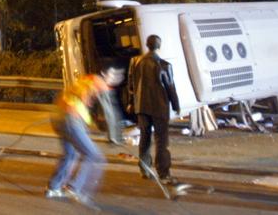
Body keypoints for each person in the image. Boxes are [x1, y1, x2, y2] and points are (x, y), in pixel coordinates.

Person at [45, 67, 124, 207]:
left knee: (70, 154)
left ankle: (53, 188)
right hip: (70, 119)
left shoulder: (86, 79)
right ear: (107, 76)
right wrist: (115, 137)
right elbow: (109, 112)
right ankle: (73, 188)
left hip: (58, 117)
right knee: (94, 156)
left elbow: (81, 100)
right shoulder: (101, 84)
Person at [128, 34, 180, 185]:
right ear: (159, 46)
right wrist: (176, 105)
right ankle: (163, 173)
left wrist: (132, 103)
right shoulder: (164, 65)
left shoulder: (135, 62)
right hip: (159, 107)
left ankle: (145, 169)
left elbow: (131, 86)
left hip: (142, 107)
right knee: (161, 141)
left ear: (147, 44)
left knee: (144, 138)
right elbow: (170, 87)